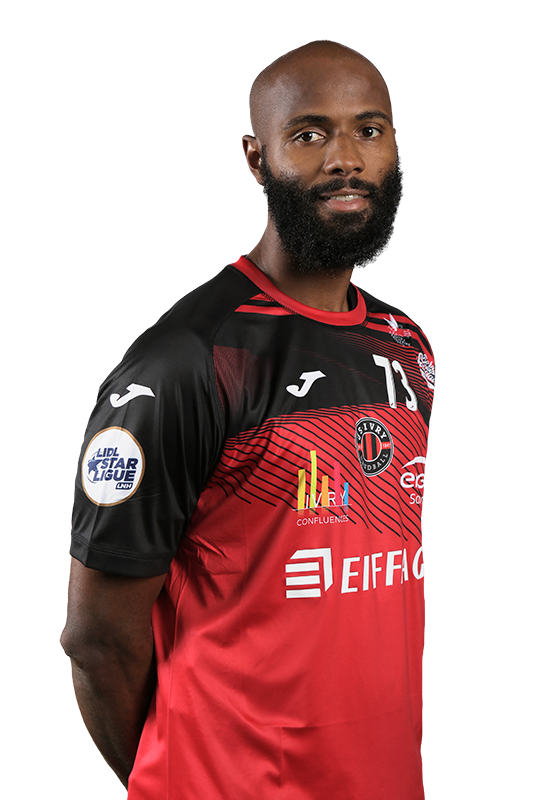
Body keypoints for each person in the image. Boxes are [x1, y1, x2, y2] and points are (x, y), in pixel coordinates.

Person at [61, 40, 435, 800]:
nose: (346, 159)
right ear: (256, 158)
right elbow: (98, 638)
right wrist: (184, 774)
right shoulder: (185, 360)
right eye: (309, 134)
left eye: (369, 130)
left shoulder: (408, 346)